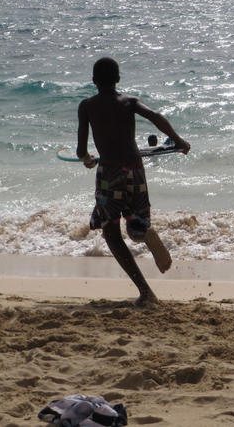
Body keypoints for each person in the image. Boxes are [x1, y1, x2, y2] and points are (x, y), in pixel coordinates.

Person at [76, 57, 190, 306]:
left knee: (111, 232)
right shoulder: (130, 102)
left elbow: (81, 150)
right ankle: (144, 232)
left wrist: (87, 159)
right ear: (118, 79)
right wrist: (178, 141)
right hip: (135, 170)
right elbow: (155, 116)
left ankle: (146, 292)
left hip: (110, 173)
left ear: (94, 81)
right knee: (135, 224)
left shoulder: (87, 106)